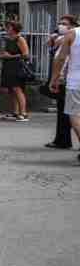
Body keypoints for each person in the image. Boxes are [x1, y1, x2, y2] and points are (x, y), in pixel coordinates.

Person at [47, 16, 80, 165]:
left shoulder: (73, 34)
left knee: (75, 115)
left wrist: (54, 78)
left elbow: (61, 58)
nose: (61, 26)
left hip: (76, 82)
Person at [0, 21, 30, 122]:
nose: (6, 28)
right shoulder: (8, 40)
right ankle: (15, 112)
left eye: (8, 27)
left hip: (17, 66)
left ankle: (23, 113)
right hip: (8, 66)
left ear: (13, 28)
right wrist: (3, 56)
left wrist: (11, 56)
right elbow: (3, 54)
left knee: (18, 89)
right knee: (11, 90)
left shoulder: (20, 39)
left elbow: (26, 54)